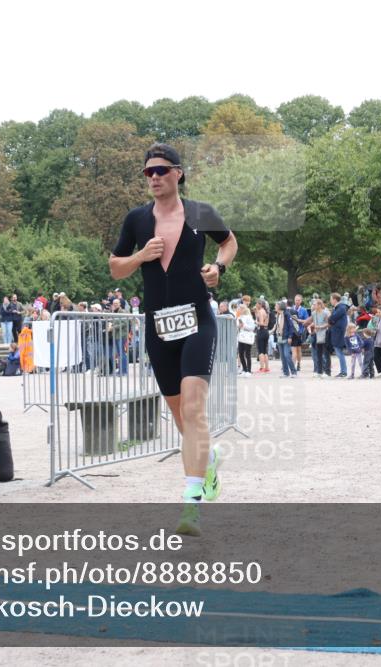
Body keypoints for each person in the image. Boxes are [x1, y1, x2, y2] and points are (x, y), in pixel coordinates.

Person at [109, 142, 237, 536]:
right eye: (148, 172)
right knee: (183, 417)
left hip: (198, 319)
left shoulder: (201, 213)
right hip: (158, 328)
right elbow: (116, 269)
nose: (154, 178)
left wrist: (217, 267)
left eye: (161, 170)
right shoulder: (136, 220)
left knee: (195, 410)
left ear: (179, 173)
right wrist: (140, 257)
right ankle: (208, 459)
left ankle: (190, 505)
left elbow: (229, 242)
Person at [327, 292, 349, 378]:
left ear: (335, 299)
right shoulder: (338, 308)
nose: (330, 301)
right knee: (338, 352)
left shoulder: (341, 308)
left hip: (339, 333)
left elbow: (332, 318)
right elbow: (332, 319)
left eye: (331, 299)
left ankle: (343, 371)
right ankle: (343, 371)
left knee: (339, 353)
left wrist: (331, 320)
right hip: (336, 332)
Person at [275, 300, 298, 378]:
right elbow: (277, 326)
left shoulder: (287, 314)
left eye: (276, 306)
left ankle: (293, 372)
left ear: (280, 307)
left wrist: (290, 336)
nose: (275, 307)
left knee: (287, 355)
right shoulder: (278, 315)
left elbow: (291, 326)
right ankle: (286, 373)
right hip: (279, 337)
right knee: (282, 356)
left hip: (286, 337)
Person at [309, 297, 330, 377]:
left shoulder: (325, 313)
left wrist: (320, 327)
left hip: (324, 334)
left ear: (320, 305)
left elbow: (328, 323)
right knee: (318, 354)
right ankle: (319, 372)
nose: (313, 306)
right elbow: (314, 322)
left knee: (326, 354)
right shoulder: (313, 313)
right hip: (317, 335)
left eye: (315, 304)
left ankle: (327, 372)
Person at [290, 294, 310, 372]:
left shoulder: (304, 310)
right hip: (292, 332)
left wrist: (299, 320)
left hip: (300, 332)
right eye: (296, 300)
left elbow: (307, 320)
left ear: (301, 301)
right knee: (294, 349)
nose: (297, 301)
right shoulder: (291, 309)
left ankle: (298, 363)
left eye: (298, 300)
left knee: (298, 349)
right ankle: (294, 366)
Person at [235, 304, 255, 377]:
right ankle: (244, 369)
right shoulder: (239, 317)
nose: (238, 310)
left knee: (247, 354)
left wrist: (244, 326)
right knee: (240, 353)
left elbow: (252, 327)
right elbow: (238, 326)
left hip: (247, 337)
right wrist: (239, 325)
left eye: (239, 309)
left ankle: (249, 371)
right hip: (241, 337)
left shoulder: (249, 317)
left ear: (243, 309)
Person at [255, 300, 271, 373]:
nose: (255, 305)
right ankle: (267, 368)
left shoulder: (261, 312)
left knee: (261, 351)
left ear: (260, 305)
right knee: (265, 351)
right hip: (266, 331)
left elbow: (261, 323)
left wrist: (256, 322)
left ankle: (262, 368)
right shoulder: (265, 312)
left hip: (261, 331)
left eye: (256, 304)